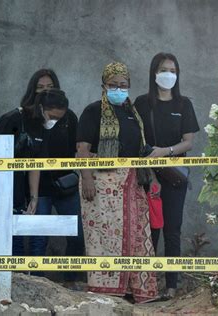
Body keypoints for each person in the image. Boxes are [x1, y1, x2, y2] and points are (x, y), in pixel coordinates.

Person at [77, 61, 158, 303]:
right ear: (103, 85)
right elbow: (82, 149)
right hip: (101, 188)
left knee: (135, 235)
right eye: (113, 85)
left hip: (132, 184)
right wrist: (87, 178)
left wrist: (151, 176)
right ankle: (107, 290)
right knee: (105, 238)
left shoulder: (133, 113)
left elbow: (140, 149)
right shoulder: (93, 112)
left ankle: (134, 290)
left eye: (123, 85)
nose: (119, 89)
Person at [0, 69, 59, 255]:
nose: (45, 92)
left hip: (17, 193)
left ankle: (14, 283)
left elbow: (36, 163)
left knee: (16, 242)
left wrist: (33, 198)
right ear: (31, 92)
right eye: (40, 88)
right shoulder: (14, 117)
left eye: (50, 88)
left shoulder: (44, 124)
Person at [134, 52, 200, 299]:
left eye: (173, 70)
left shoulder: (184, 104)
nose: (168, 75)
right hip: (146, 176)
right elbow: (136, 140)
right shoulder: (142, 103)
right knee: (149, 230)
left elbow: (189, 142)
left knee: (173, 229)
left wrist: (165, 151)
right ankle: (146, 285)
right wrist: (150, 169)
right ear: (154, 73)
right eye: (164, 69)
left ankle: (171, 285)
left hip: (174, 176)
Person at [29, 88, 85, 284]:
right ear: (42, 108)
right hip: (40, 188)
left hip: (66, 186)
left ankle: (71, 280)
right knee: (38, 236)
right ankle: (36, 281)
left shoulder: (70, 118)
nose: (55, 120)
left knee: (78, 234)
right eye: (52, 116)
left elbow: (78, 148)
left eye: (59, 117)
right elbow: (34, 161)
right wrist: (33, 196)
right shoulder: (31, 122)